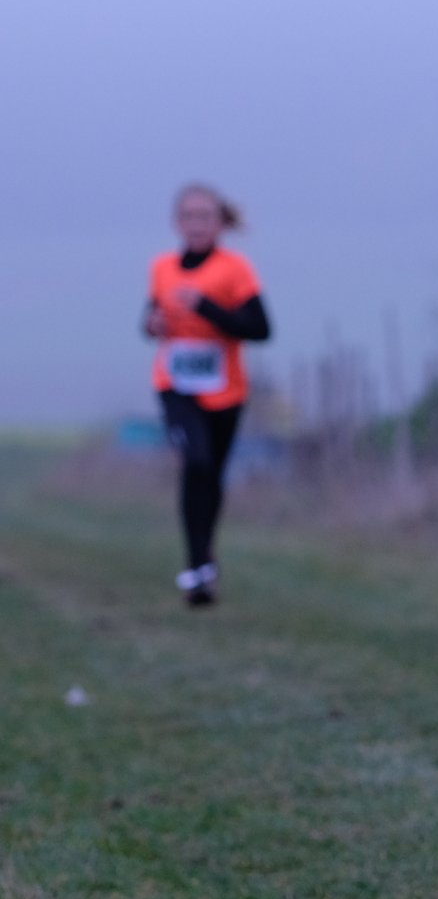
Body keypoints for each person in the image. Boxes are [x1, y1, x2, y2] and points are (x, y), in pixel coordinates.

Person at [141, 184, 272, 607]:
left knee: (211, 474)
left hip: (225, 392)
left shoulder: (235, 270)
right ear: (176, 222)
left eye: (205, 216)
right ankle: (198, 567)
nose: (196, 224)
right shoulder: (162, 267)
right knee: (195, 461)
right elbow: (149, 318)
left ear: (221, 223)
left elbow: (260, 329)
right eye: (189, 216)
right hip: (175, 386)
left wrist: (207, 308)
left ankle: (204, 558)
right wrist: (153, 325)